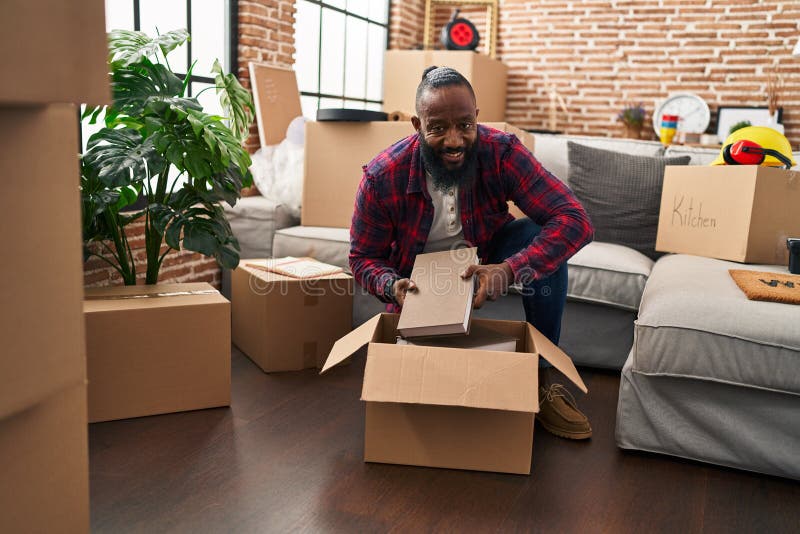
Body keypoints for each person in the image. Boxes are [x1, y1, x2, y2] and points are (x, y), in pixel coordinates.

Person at [349, 66, 595, 439]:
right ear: (417, 124)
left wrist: (510, 270)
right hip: (417, 281)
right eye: (437, 128)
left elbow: (574, 220)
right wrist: (390, 285)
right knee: (412, 412)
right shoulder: (383, 177)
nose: (454, 140)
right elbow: (362, 257)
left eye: (465, 125)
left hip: (488, 256)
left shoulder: (501, 152)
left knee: (536, 238)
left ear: (477, 117)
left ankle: (541, 380)